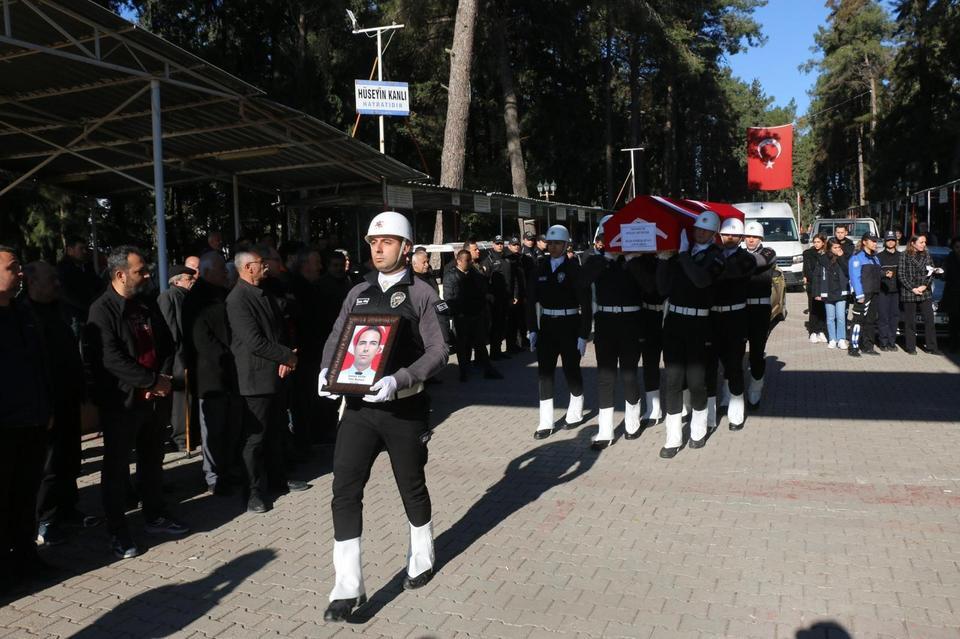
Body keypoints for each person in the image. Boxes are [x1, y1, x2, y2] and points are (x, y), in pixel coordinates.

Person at [318, 211, 449, 621]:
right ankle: (347, 586)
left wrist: (402, 378)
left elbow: (439, 351)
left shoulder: (423, 293)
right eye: (374, 242)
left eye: (387, 242)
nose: (377, 248)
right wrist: (327, 371)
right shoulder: (357, 291)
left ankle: (423, 554)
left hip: (403, 409)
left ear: (406, 248)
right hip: (357, 409)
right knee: (344, 489)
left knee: (410, 486)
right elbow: (337, 337)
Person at [85, 246, 189, 559]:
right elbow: (109, 358)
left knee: (152, 460)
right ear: (119, 275)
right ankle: (118, 531)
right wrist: (147, 382)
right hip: (123, 403)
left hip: (154, 398)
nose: (146, 276)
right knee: (117, 468)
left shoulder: (145, 305)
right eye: (140, 271)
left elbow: (168, 343)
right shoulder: (101, 310)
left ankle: (155, 514)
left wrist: (161, 380)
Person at [226, 249, 308, 514]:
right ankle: (252, 492)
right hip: (254, 378)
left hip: (276, 373)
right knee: (255, 438)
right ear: (248, 267)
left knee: (276, 431)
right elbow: (254, 341)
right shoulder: (237, 299)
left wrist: (287, 357)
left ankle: (277, 480)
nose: (266, 267)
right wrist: (286, 356)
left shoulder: (265, 293)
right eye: (261, 264)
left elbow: (279, 330)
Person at [22, 261, 89, 547]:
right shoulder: (24, 314)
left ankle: (68, 508)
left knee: (71, 457)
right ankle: (45, 519)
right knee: (48, 466)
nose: (57, 284)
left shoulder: (58, 310)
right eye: (52, 280)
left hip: (68, 398)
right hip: (45, 403)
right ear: (33, 282)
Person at [0, 246, 52, 588]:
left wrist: (45, 410)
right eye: (12, 267)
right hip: (3, 426)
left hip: (31, 421)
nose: (20, 273)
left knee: (25, 494)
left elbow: (38, 365)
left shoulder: (22, 312)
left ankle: (25, 557)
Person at [656, 211, 725, 458]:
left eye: (706, 231)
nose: (700, 233)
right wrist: (664, 260)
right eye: (698, 229)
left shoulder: (717, 256)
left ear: (714, 233)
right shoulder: (679, 255)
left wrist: (683, 255)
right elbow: (662, 289)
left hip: (699, 324)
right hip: (674, 321)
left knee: (697, 381)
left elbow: (701, 280)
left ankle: (698, 430)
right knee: (673, 380)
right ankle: (673, 438)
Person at [580, 217, 646, 449]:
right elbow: (582, 282)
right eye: (609, 237)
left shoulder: (636, 261)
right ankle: (605, 431)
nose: (613, 241)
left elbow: (649, 287)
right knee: (605, 377)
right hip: (606, 322)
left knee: (629, 374)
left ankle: (632, 422)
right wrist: (606, 258)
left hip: (631, 321)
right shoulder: (596, 261)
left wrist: (630, 259)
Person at [182, 251, 240, 496]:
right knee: (213, 430)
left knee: (227, 428)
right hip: (210, 374)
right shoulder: (197, 300)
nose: (226, 273)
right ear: (206, 272)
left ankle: (226, 470)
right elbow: (201, 340)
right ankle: (213, 476)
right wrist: (228, 354)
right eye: (221, 270)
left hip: (227, 371)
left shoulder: (220, 294)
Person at [525, 224, 591, 440]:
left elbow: (586, 304)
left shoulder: (575, 269)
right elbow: (531, 300)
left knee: (571, 369)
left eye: (557, 244)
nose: (552, 247)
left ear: (565, 245)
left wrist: (583, 334)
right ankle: (545, 421)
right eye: (550, 243)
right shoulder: (540, 267)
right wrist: (532, 328)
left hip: (570, 323)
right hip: (547, 325)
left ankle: (576, 409)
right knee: (545, 373)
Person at [705, 217, 768, 432]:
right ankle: (715, 408)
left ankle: (736, 412)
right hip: (714, 317)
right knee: (713, 364)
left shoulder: (746, 258)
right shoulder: (713, 254)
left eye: (733, 235)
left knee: (735, 363)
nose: (728, 238)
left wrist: (714, 264)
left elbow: (729, 273)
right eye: (725, 234)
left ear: (739, 237)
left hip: (737, 316)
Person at [442, 249, 502, 382]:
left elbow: (480, 292)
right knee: (462, 346)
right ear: (459, 261)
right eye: (466, 260)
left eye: (470, 260)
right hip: (462, 316)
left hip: (476, 314)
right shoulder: (451, 276)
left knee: (480, 343)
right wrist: (458, 312)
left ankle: (488, 369)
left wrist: (481, 305)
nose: (469, 262)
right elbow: (449, 298)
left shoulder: (474, 274)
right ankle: (463, 371)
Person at [158, 264, 197, 451]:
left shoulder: (188, 297)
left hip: (190, 354)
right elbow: (171, 329)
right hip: (179, 357)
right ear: (177, 281)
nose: (192, 282)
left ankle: (189, 435)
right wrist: (181, 355)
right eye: (189, 279)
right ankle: (181, 438)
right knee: (181, 400)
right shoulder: (169, 296)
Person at [742, 221, 777, 407]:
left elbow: (759, 262)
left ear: (761, 238)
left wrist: (733, 260)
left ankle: (755, 388)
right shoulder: (739, 253)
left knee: (756, 351)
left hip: (760, 309)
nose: (751, 240)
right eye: (748, 236)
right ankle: (731, 390)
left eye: (754, 237)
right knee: (735, 352)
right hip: (740, 308)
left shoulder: (768, 252)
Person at [898, 234, 943, 355]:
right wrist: (912, 288)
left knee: (929, 319)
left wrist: (924, 286)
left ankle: (932, 347)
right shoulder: (904, 255)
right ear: (913, 243)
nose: (924, 244)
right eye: (921, 242)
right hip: (909, 291)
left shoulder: (927, 255)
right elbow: (901, 275)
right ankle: (910, 347)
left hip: (924, 291)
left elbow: (932, 272)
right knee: (910, 321)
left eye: (925, 242)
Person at [56, 236, 103, 336]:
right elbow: (65, 293)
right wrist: (86, 306)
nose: (84, 251)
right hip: (73, 316)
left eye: (86, 248)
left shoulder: (87, 267)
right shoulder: (62, 269)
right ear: (70, 250)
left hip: (90, 314)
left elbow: (97, 285)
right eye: (81, 248)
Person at [481, 235, 516, 360]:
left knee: (502, 325)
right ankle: (494, 353)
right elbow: (484, 281)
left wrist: (512, 295)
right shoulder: (488, 260)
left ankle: (499, 350)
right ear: (493, 245)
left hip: (505, 297)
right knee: (495, 326)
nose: (499, 245)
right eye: (497, 243)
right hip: (495, 299)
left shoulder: (506, 259)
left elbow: (511, 279)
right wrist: (489, 297)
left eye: (501, 243)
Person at [847, 233, 882, 357]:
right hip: (863, 295)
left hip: (875, 294)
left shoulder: (876, 258)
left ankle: (868, 346)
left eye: (875, 241)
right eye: (872, 241)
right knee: (858, 321)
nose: (875, 243)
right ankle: (853, 347)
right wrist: (859, 295)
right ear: (864, 242)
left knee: (871, 321)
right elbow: (855, 278)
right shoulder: (857, 258)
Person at [816, 239, 850, 350]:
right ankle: (832, 339)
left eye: (839, 247)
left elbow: (848, 271)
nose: (837, 249)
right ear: (830, 248)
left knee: (840, 317)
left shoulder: (843, 257)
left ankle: (841, 339)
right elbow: (818, 276)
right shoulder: (823, 259)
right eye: (835, 248)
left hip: (841, 291)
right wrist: (817, 292)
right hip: (828, 292)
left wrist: (841, 257)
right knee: (830, 318)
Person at [876, 230, 902, 351]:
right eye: (888, 240)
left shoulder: (901, 256)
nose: (891, 242)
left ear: (896, 242)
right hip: (883, 292)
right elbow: (875, 273)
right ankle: (883, 342)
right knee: (883, 317)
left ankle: (892, 342)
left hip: (896, 292)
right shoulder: (879, 257)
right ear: (885, 242)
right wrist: (883, 274)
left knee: (894, 317)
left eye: (893, 240)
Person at [504, 237, 528, 353]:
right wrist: (514, 295)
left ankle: (519, 343)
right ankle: (512, 346)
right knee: (512, 323)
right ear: (509, 246)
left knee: (520, 320)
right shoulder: (508, 259)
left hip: (521, 293)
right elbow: (511, 280)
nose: (516, 246)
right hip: (513, 295)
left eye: (518, 244)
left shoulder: (520, 258)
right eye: (514, 245)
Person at [802, 234, 827, 343]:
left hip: (824, 285)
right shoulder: (808, 254)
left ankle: (821, 330)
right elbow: (807, 270)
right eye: (815, 242)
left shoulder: (827, 254)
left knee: (823, 308)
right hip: (812, 285)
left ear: (823, 242)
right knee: (813, 308)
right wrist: (815, 280)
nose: (816, 244)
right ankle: (812, 331)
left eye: (818, 242)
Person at [943, 237, 960, 352]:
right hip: (953, 295)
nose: (959, 249)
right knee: (953, 322)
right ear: (953, 248)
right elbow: (944, 274)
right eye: (957, 247)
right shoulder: (949, 258)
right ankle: (953, 345)